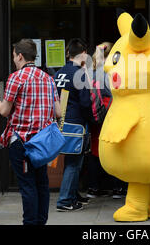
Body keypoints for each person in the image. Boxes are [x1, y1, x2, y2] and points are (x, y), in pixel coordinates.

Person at [0, 39, 61, 225]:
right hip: (43, 143)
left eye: (14, 56)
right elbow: (58, 112)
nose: (14, 60)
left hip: (22, 142)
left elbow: (4, 111)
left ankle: (30, 223)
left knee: (28, 186)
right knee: (41, 184)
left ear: (20, 56)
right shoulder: (48, 79)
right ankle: (40, 221)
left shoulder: (16, 78)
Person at [54, 38, 91, 212]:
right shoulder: (80, 74)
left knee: (70, 160)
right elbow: (85, 103)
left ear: (68, 53)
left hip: (61, 122)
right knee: (74, 163)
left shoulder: (59, 72)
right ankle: (65, 200)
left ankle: (73, 196)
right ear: (83, 53)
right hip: (76, 123)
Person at [86, 42, 126, 199]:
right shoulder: (112, 70)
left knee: (95, 150)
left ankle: (94, 187)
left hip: (96, 113)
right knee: (115, 149)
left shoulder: (92, 70)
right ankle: (117, 187)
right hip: (112, 112)